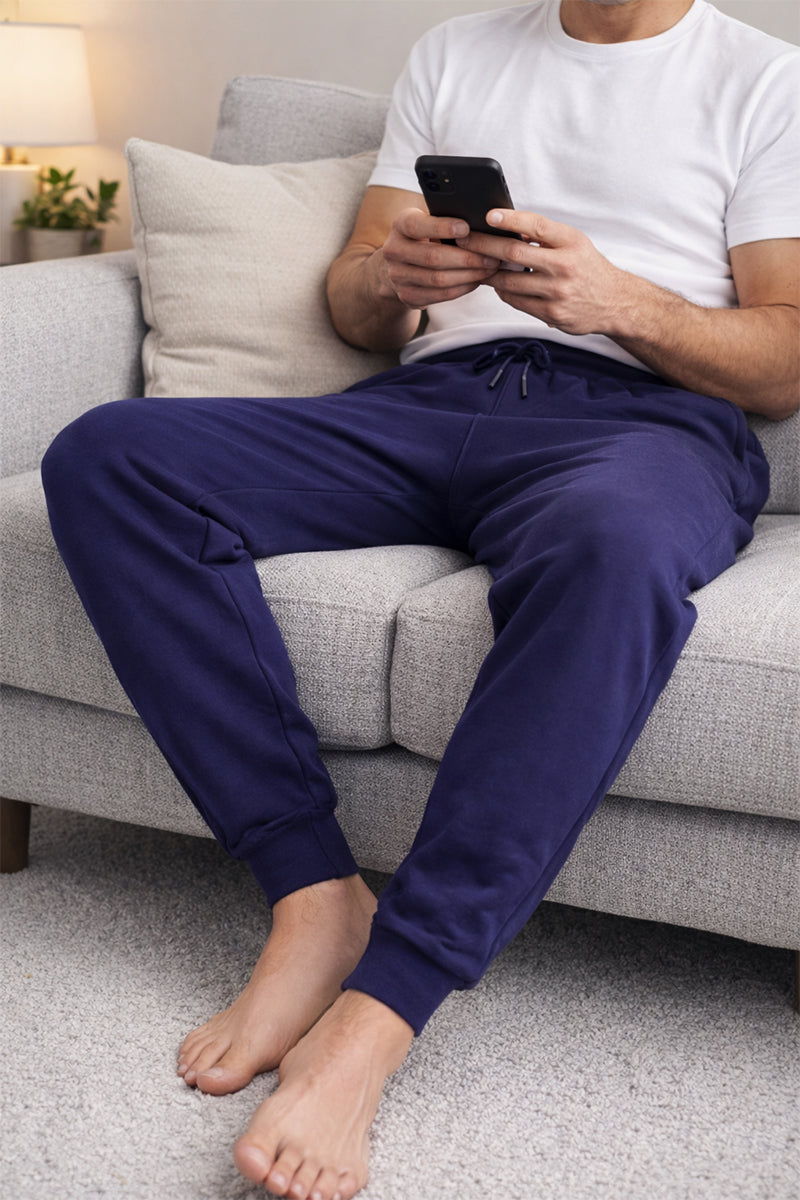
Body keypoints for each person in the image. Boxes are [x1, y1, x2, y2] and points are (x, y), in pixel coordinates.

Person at [41, 1, 798, 1198]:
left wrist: (619, 304)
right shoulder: (455, 50)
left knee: (611, 546)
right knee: (108, 458)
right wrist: (391, 278)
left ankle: (384, 1006)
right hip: (420, 408)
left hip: (640, 430)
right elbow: (353, 309)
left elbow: (783, 360)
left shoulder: (763, 80)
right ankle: (310, 893)